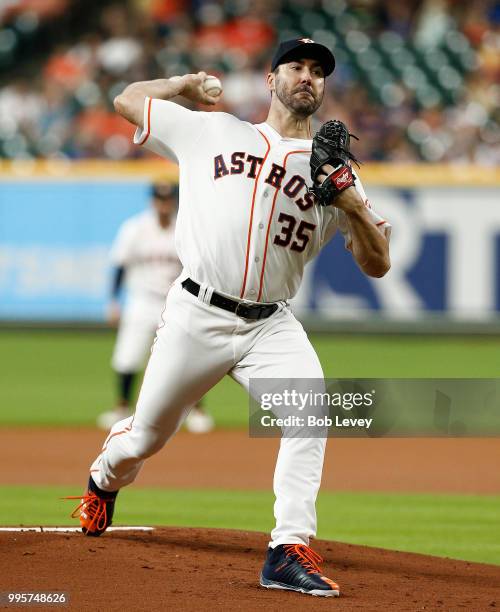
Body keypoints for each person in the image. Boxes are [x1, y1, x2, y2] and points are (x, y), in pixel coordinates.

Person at [68, 38, 391, 598]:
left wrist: (351, 205)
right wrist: (184, 87)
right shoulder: (213, 130)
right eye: (296, 66)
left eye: (318, 71)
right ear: (271, 79)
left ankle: (287, 549)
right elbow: (125, 99)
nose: (307, 77)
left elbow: (378, 263)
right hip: (197, 309)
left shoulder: (337, 174)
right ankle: (102, 478)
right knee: (145, 436)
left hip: (271, 323)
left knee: (309, 409)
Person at [96, 183, 214, 434]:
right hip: (141, 299)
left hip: (175, 300)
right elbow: (119, 265)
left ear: (174, 201)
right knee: (127, 356)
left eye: (168, 199)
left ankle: (197, 410)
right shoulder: (135, 228)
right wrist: (113, 301)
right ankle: (121, 408)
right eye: (160, 199)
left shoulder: (186, 227)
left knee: (187, 356)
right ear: (152, 201)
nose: (164, 204)